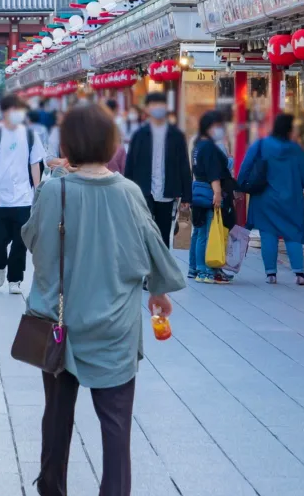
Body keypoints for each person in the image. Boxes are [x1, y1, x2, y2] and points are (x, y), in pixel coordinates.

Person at [23, 103, 186, 496]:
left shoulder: (52, 190)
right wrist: (159, 292)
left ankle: (51, 487)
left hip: (59, 325)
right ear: (111, 143)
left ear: (68, 144)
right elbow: (154, 249)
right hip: (115, 326)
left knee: (57, 417)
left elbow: (33, 241)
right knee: (116, 426)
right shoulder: (128, 192)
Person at [238, 113, 304, 286]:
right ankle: (299, 274)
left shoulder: (261, 145)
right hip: (291, 200)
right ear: (290, 130)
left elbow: (245, 166)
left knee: (268, 234)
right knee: (293, 235)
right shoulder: (296, 150)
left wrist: (239, 188)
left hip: (264, 199)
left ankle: (271, 274)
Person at [0, 93, 45, 294]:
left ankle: (15, 279)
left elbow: (35, 165)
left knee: (20, 241)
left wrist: (38, 192)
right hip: (0, 198)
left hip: (24, 198)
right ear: (5, 112)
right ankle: (0, 264)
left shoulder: (30, 135)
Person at [124, 92, 191, 247]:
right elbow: (130, 164)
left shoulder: (176, 135)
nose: (157, 108)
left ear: (166, 107)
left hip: (166, 191)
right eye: (153, 104)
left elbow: (183, 165)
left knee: (163, 234)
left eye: (161, 104)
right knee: (144, 232)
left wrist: (186, 196)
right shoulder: (140, 135)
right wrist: (126, 191)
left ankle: (161, 268)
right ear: (147, 109)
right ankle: (146, 267)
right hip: (143, 190)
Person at [189, 109, 236, 284]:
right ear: (209, 127)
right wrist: (217, 193)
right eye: (217, 126)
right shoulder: (209, 146)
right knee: (207, 233)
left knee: (200, 232)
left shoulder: (198, 145)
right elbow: (213, 173)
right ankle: (205, 270)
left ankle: (196, 268)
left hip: (198, 190)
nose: (220, 130)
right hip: (208, 192)